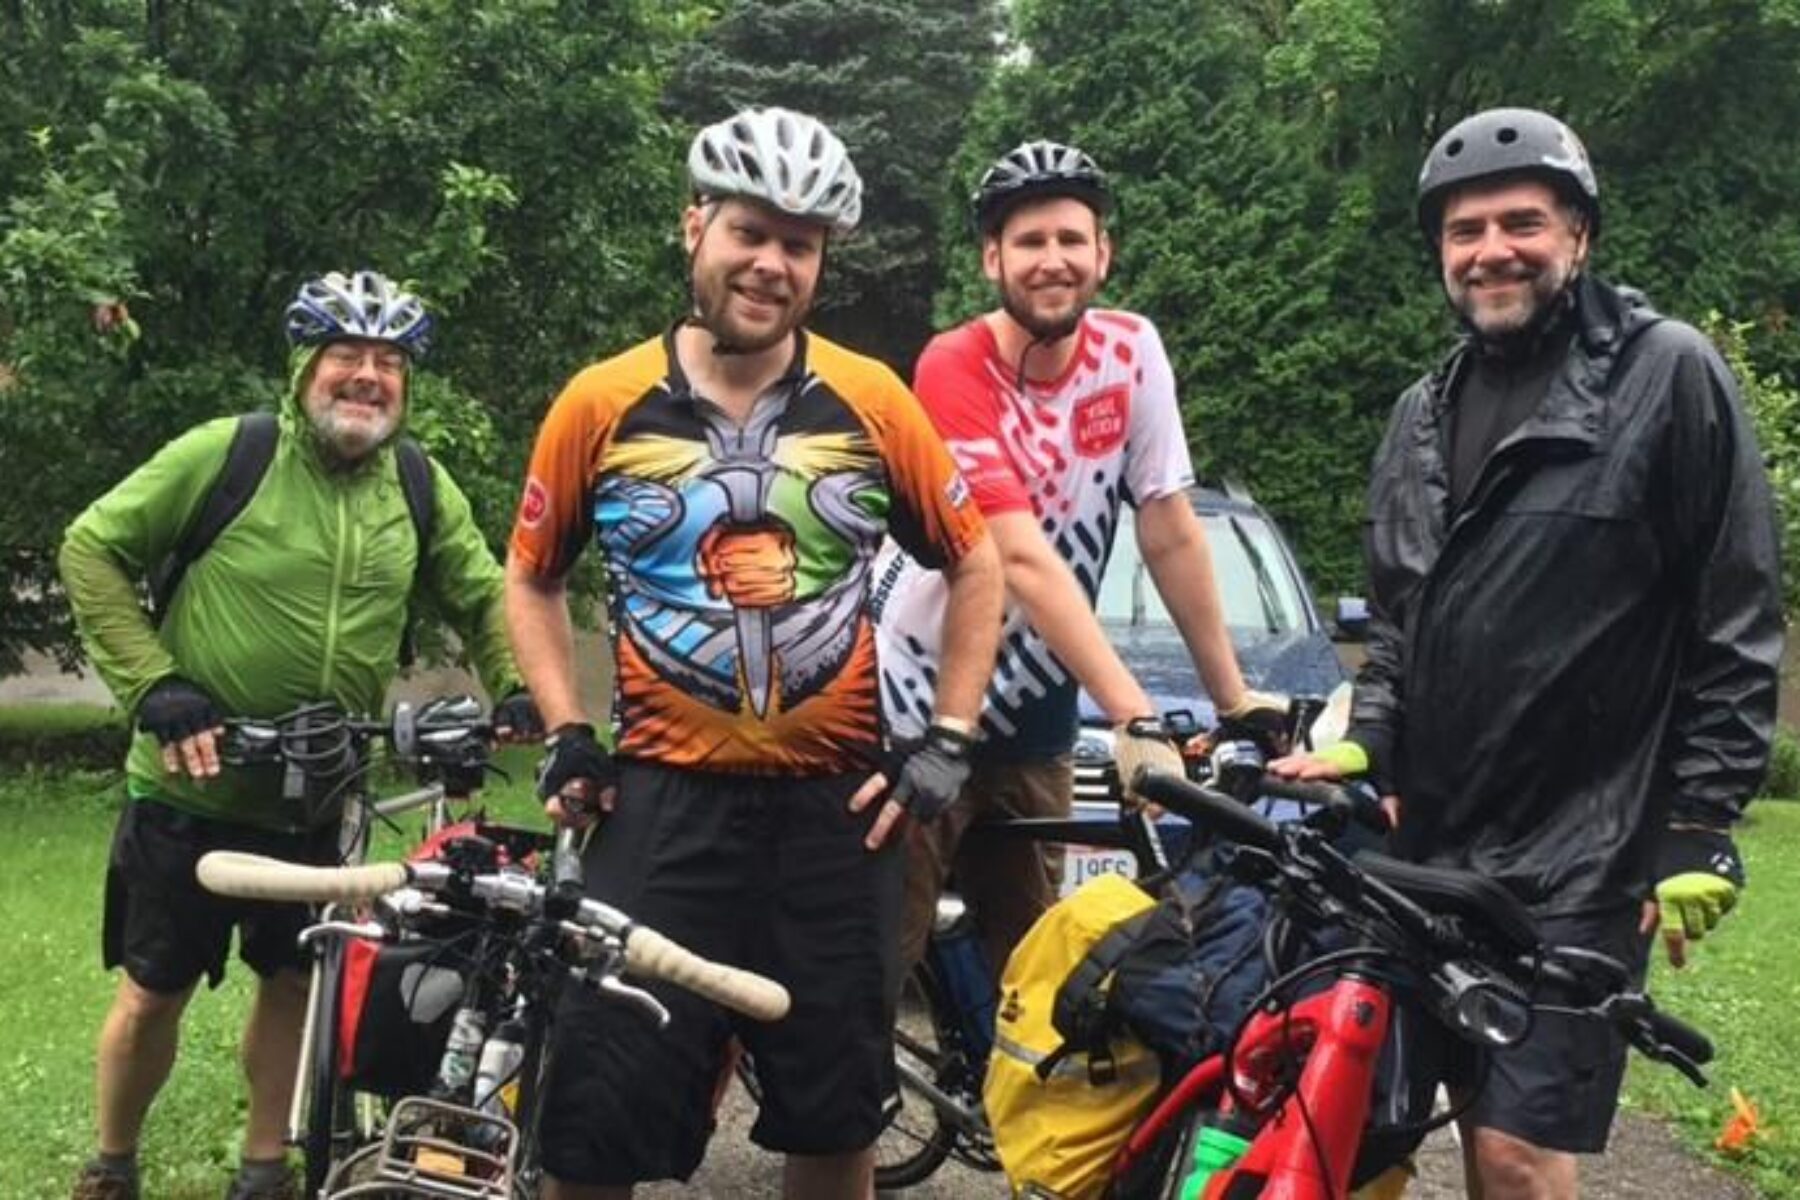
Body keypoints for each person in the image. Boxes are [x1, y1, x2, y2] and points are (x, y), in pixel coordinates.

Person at [1272, 108, 1785, 1199]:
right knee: (1369, 1114)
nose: (1492, 249)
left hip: (1583, 858)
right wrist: (1372, 746)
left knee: (1512, 1150)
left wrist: (1699, 826)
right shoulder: (1421, 413)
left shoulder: (1668, 376)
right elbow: (1405, 619)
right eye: (1465, 231)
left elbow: (1735, 617)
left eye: (1522, 222)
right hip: (1433, 850)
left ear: (1580, 236)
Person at [503, 106, 1003, 1200]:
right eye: (751, 232)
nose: (773, 264)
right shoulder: (600, 401)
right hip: (660, 809)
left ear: (822, 261)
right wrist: (566, 729)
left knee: (833, 1120)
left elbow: (978, 564)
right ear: (696, 227)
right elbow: (531, 574)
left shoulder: (874, 399)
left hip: (837, 814)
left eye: (801, 244)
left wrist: (949, 739)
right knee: (595, 1118)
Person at [59, 270, 538, 1200]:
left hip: (319, 794)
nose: (367, 377)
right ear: (305, 368)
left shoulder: (416, 483)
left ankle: (263, 1166)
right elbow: (91, 547)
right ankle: (113, 1161)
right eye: (347, 356)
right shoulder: (227, 453)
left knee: (293, 979)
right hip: (190, 787)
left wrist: (517, 684)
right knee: (154, 989)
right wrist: (155, 685)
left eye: (388, 362)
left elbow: (485, 593)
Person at [870, 139, 1287, 973]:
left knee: (1042, 984)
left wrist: (1233, 697)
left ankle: (990, 1101)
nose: (1051, 261)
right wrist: (1135, 715)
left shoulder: (1131, 353)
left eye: (1071, 240)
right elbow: (1016, 558)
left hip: (1037, 725)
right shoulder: (954, 363)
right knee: (872, 975)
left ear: (1104, 252)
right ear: (992, 259)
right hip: (913, 710)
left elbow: (1167, 526)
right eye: (1029, 243)